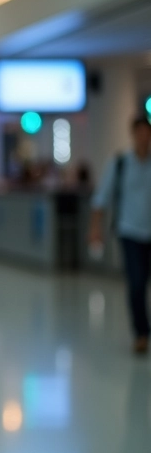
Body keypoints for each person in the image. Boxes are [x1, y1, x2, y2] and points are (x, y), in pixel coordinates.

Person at [89, 116, 151, 356]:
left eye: (147, 132)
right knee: (136, 284)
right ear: (133, 134)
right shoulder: (120, 163)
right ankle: (141, 333)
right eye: (140, 132)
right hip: (130, 232)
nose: (143, 137)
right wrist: (95, 228)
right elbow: (101, 198)